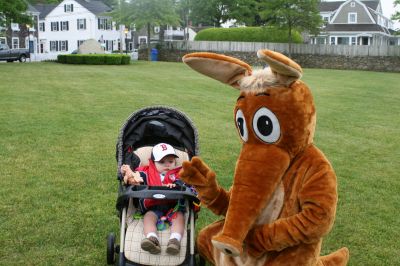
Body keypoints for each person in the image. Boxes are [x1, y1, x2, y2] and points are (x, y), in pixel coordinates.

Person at [120, 143, 185, 255]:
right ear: (153, 162)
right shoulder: (146, 173)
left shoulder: (178, 175)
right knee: (148, 218)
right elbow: (135, 177)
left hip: (173, 209)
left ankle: (174, 241)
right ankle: (152, 239)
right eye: (162, 162)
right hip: (153, 208)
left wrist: (176, 185)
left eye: (171, 161)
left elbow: (186, 184)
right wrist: (128, 173)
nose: (167, 165)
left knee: (179, 217)